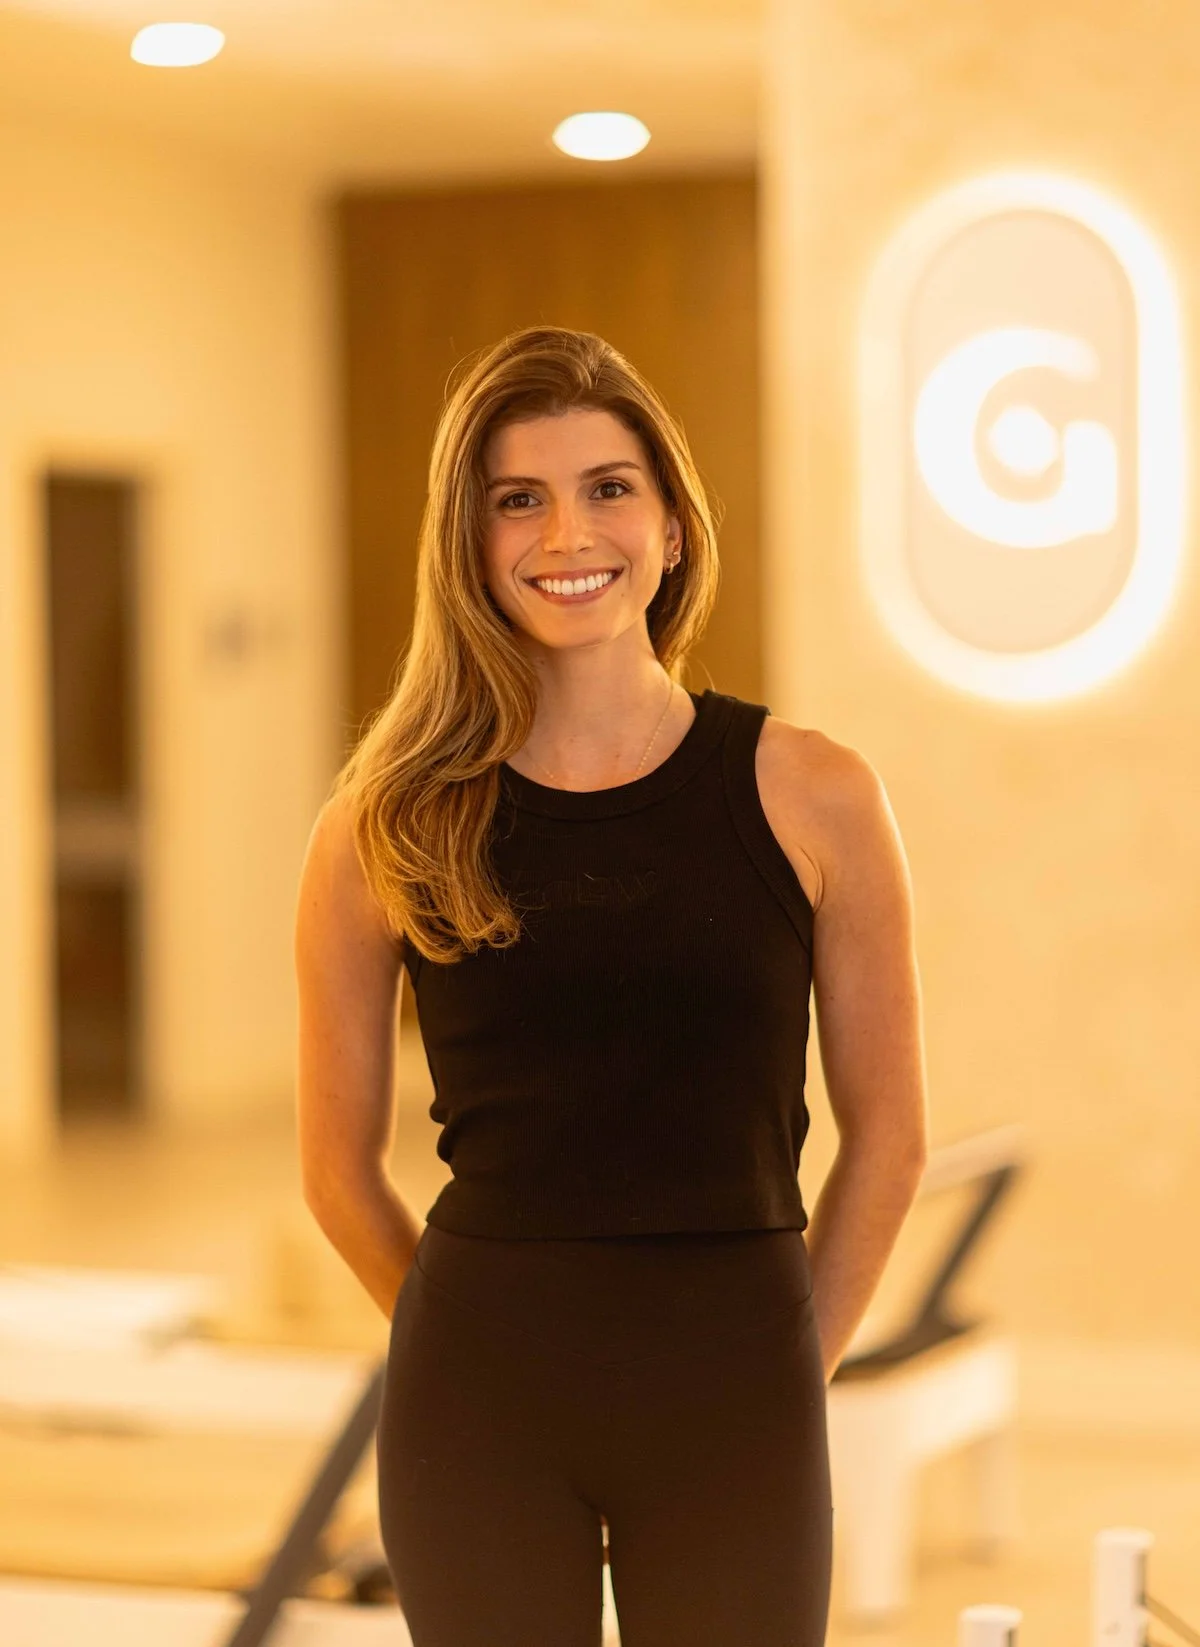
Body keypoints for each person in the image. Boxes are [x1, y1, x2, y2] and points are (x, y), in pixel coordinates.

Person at [293, 325, 929, 1646]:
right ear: (468, 544)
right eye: (516, 498)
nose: (566, 531)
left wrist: (785, 1365)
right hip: (476, 1400)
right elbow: (336, 1172)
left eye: (608, 486)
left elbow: (891, 1135)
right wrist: (462, 1342)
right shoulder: (385, 825)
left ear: (675, 525)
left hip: (738, 1385)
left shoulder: (816, 793)